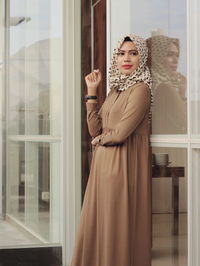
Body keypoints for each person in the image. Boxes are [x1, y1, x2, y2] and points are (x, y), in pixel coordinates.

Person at [70, 34, 153, 266]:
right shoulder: (115, 91)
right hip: (102, 169)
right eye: (121, 53)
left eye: (134, 53)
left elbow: (120, 134)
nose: (126, 58)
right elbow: (95, 130)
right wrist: (92, 93)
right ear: (115, 58)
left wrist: (100, 140)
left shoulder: (141, 90)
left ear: (142, 58)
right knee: (99, 225)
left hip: (122, 167)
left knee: (117, 228)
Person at [146, 35, 187, 134]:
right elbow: (183, 121)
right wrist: (182, 93)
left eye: (177, 55)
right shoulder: (160, 86)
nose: (175, 60)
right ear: (157, 56)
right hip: (166, 144)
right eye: (169, 55)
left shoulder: (168, 83)